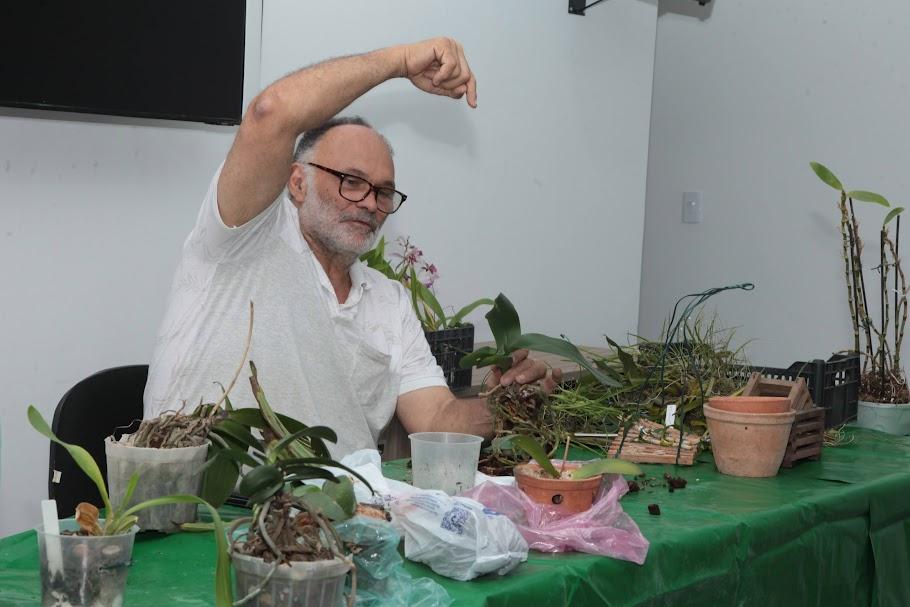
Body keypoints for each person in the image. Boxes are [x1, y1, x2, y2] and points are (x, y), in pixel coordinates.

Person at [143, 37, 561, 456]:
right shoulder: (246, 234)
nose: (368, 203)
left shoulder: (389, 303)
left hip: (335, 512)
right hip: (201, 504)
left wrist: (508, 402)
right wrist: (398, 61)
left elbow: (438, 420)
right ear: (297, 182)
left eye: (383, 192)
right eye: (352, 181)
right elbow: (270, 113)